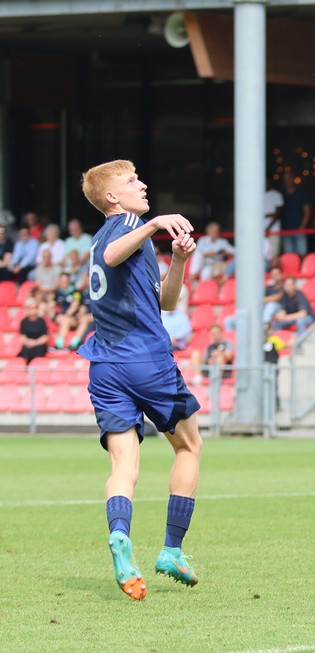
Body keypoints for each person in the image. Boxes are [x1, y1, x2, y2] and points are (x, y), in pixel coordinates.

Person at [78, 159, 202, 600]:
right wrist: (154, 225)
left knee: (123, 466)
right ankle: (171, 549)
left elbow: (166, 301)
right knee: (189, 445)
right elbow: (116, 254)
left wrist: (178, 261)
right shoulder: (126, 225)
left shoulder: (112, 237)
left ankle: (120, 538)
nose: (143, 184)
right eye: (132, 181)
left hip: (105, 366)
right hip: (145, 360)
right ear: (112, 196)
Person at [280, 175, 310, 256]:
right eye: (285, 179)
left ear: (293, 179)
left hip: (299, 229)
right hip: (286, 230)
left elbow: (307, 211)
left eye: (289, 178)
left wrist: (302, 227)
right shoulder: (281, 195)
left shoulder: (300, 194)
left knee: (301, 254)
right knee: (289, 257)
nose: (287, 181)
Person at [17, 297, 48, 364]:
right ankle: (25, 368)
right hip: (28, 344)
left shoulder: (41, 321)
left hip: (39, 344)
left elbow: (45, 337)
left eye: (35, 308)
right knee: (25, 351)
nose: (33, 310)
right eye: (31, 308)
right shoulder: (24, 322)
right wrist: (28, 342)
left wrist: (35, 342)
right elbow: (22, 337)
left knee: (39, 351)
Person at [264, 178, 284, 259]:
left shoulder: (276, 195)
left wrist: (268, 228)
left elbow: (278, 213)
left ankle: (274, 271)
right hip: (259, 231)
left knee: (274, 254)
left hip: (273, 230)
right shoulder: (256, 194)